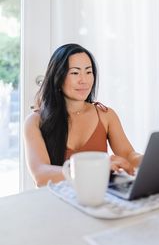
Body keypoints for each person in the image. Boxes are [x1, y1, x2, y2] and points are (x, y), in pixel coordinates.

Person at [24, 43, 142, 187]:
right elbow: (41, 175)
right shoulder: (35, 122)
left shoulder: (106, 115)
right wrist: (97, 168)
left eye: (88, 72)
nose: (84, 80)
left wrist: (153, 160)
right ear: (58, 77)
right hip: (56, 202)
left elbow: (128, 155)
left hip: (96, 199)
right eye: (75, 73)